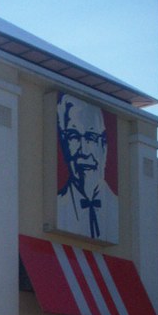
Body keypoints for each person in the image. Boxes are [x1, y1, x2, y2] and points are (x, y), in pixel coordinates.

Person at [56, 92, 118, 242]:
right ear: (64, 144)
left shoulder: (117, 208)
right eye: (73, 136)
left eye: (91, 137)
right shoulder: (58, 207)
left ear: (104, 145)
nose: (83, 151)